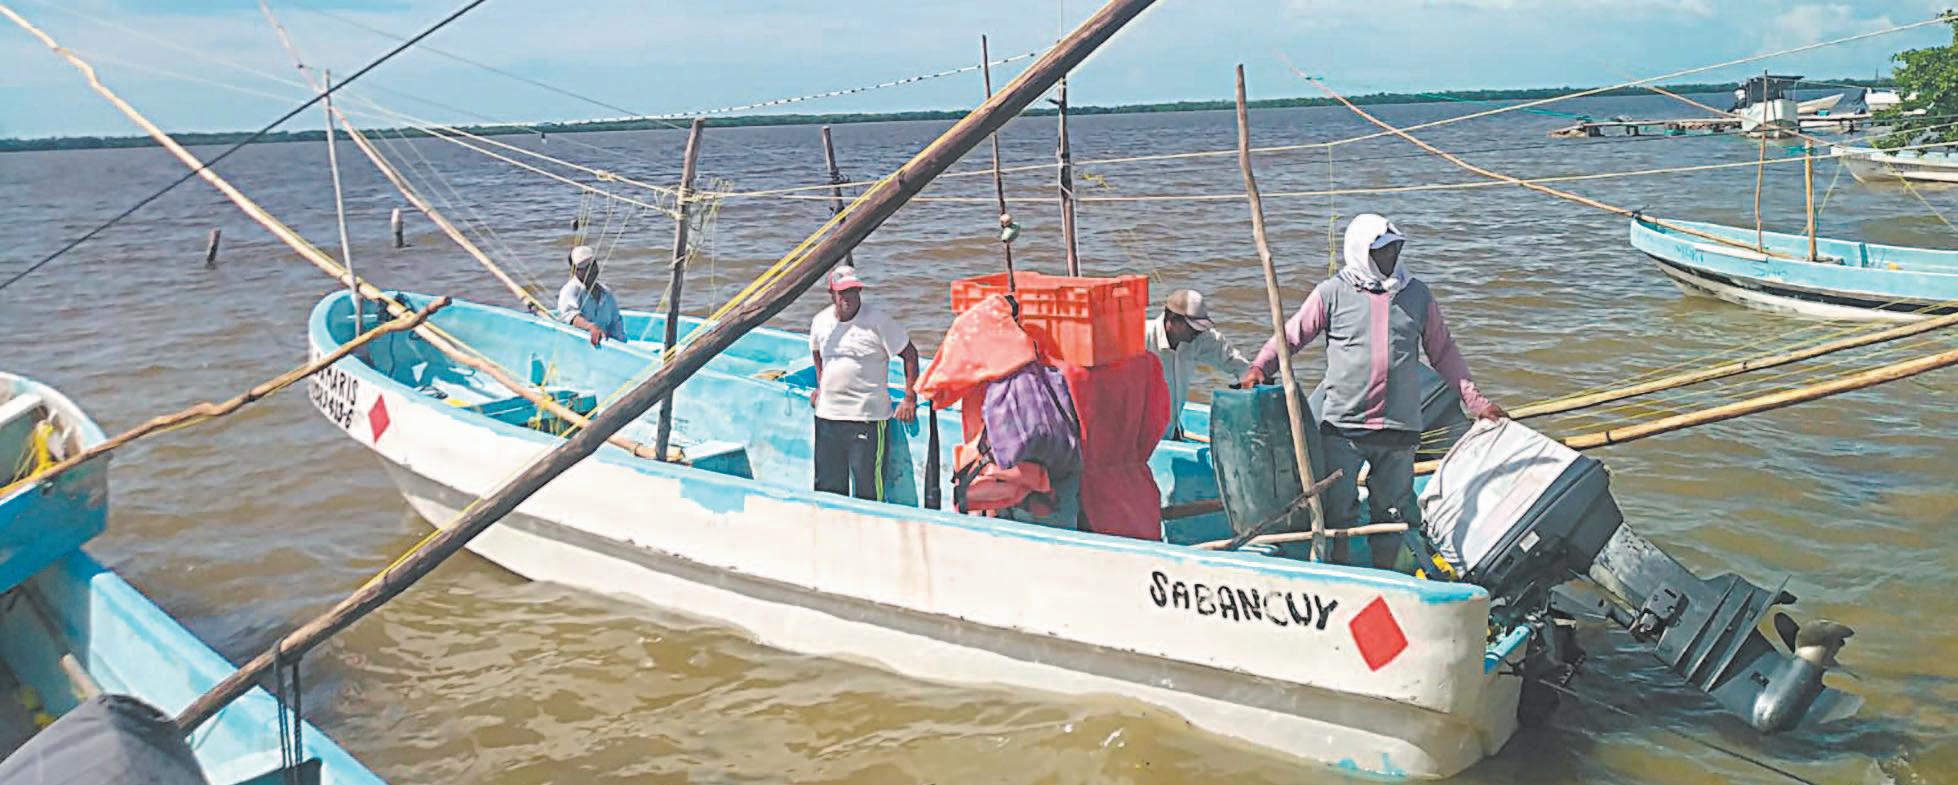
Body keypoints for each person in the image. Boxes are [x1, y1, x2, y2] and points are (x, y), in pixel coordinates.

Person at [1239, 214, 1505, 568]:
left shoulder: (1415, 294)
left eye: (1394, 249)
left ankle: (1386, 574)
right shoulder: (1332, 293)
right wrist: (1260, 367)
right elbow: (1291, 337)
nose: (1390, 258)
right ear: (1361, 252)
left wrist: (1477, 402)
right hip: (1343, 426)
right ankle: (1340, 572)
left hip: (1399, 426)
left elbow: (1443, 352)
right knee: (1337, 512)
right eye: (1382, 252)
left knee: (1392, 515)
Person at [810, 265, 920, 500]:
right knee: (827, 489)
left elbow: (910, 354)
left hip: (867, 417)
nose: (848, 298)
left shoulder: (879, 321)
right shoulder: (820, 321)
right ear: (831, 294)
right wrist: (820, 385)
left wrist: (910, 398)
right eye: (842, 292)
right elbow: (817, 352)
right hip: (828, 416)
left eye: (853, 291)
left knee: (868, 488)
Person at [1146, 288, 1252, 441]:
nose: (1197, 333)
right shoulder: (1142, 338)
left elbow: (1232, 360)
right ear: (1172, 319)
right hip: (1140, 438)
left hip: (1172, 430)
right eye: (1193, 327)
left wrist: (1249, 375)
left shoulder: (1197, 338)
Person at [556, 245, 625, 347]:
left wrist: (620, 344)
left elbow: (616, 323)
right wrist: (591, 327)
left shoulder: (606, 293)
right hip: (577, 347)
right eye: (584, 267)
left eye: (592, 265)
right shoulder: (570, 290)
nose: (590, 270)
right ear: (574, 270)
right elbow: (570, 316)